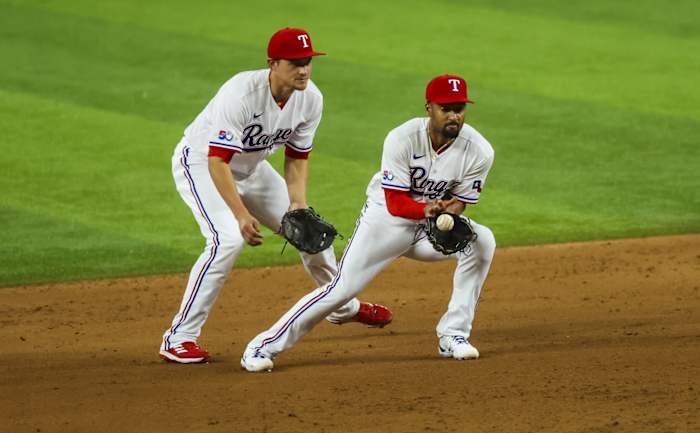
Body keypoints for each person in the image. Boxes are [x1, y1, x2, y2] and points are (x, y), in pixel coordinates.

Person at [159, 27, 393, 364]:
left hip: (251, 170)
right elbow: (217, 161)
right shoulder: (241, 94)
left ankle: (341, 306)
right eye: (295, 63)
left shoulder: (311, 99)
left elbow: (297, 158)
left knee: (311, 235)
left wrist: (298, 204)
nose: (303, 70)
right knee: (227, 240)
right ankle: (179, 337)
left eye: (308, 62)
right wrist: (240, 214)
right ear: (273, 63)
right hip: (202, 163)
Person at [240, 74, 496, 372]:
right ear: (429, 108)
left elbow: (460, 200)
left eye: (459, 109)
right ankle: (262, 346)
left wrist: (448, 215)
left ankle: (454, 334)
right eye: (446, 108)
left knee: (482, 242)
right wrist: (428, 210)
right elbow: (396, 203)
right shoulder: (402, 139)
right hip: (385, 222)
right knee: (341, 288)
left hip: (429, 227)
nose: (454, 116)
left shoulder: (479, 150)